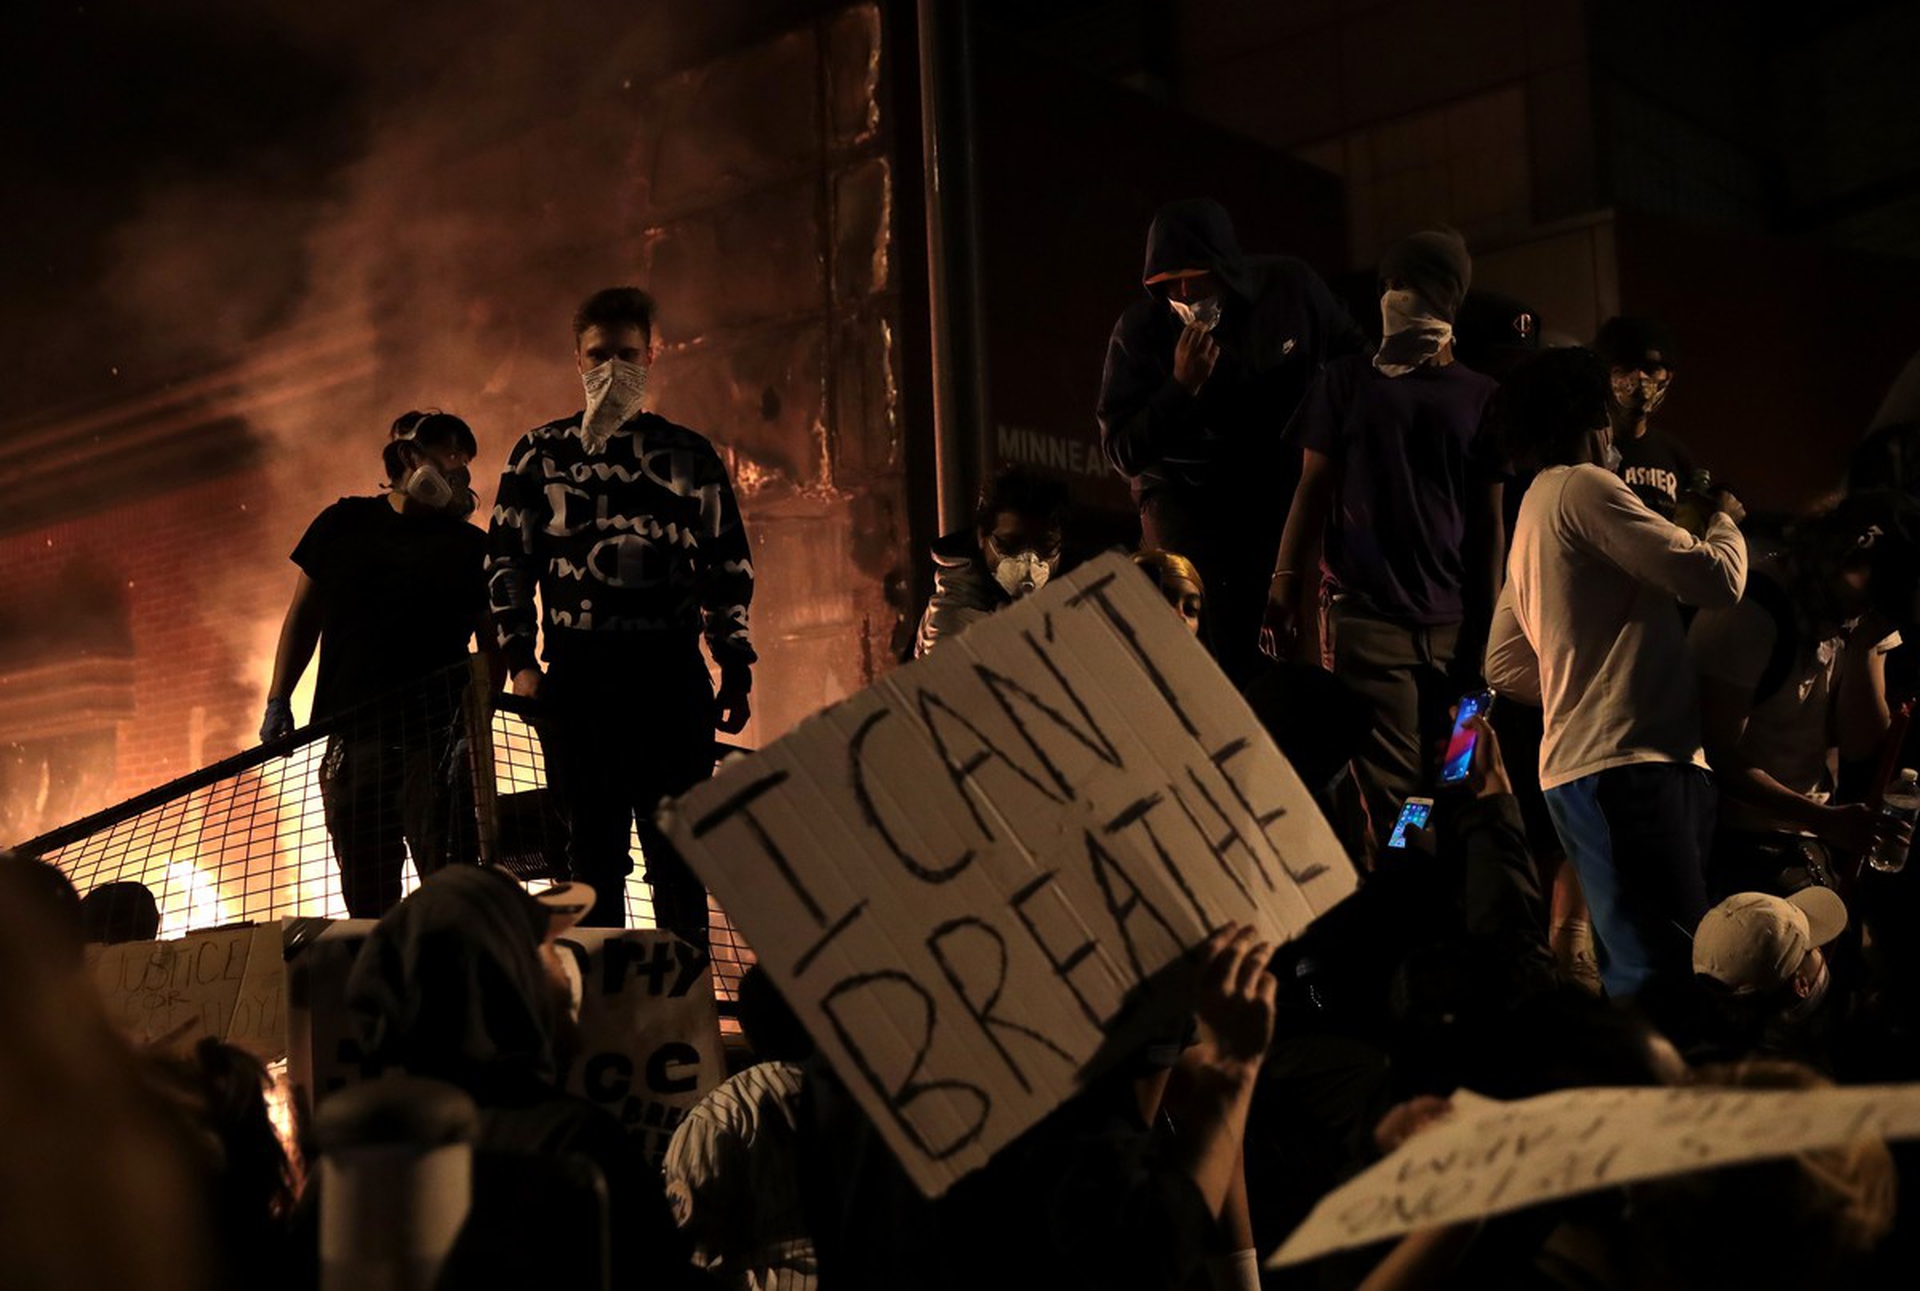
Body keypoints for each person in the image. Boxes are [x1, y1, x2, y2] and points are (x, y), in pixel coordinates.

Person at [487, 286, 754, 937]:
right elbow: (506, 564)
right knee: (591, 859)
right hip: (578, 681)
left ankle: (682, 1010)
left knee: (679, 858)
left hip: (668, 676)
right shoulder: (539, 454)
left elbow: (726, 565)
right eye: (599, 353)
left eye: (627, 353)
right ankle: (604, 1016)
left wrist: (736, 663)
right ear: (577, 359)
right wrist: (521, 663)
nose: (613, 368)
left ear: (653, 355)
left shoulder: (690, 455)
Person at [1486, 347, 1749, 998]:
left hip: (1584, 768)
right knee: (1673, 976)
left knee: (1640, 966)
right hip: (1632, 766)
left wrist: (1585, 678)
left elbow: (1503, 661)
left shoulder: (1533, 509)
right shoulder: (1584, 486)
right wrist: (1721, 519)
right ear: (1593, 416)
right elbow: (1718, 578)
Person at [343, 866, 698, 1288]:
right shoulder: (574, 1147)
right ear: (500, 973)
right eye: (542, 947)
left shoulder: (348, 1171)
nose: (564, 969)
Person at [1268, 230, 1505, 840]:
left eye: (1409, 285)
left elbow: (1488, 522)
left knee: (1460, 776)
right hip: (1372, 631)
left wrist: (1490, 627)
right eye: (1387, 286)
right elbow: (1312, 488)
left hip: (1460, 637)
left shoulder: (1481, 398)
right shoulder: (1348, 382)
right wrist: (1285, 581)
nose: (1393, 297)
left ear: (1445, 297)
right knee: (1400, 792)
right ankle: (1408, 879)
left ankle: (1447, 888)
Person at [1097, 197, 1364, 680]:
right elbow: (1122, 450)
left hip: (1272, 485)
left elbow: (1353, 356)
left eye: (1193, 277)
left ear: (1223, 268)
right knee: (1202, 639)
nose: (1182, 292)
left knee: (1283, 641)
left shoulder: (1288, 290)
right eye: (1168, 282)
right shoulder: (1141, 330)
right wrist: (1181, 388)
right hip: (1184, 497)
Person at [262, 410, 492, 919]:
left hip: (434, 744)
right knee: (367, 897)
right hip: (355, 739)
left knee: (452, 888)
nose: (459, 471)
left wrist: (472, 733)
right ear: (410, 456)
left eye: (465, 460)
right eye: (451, 454)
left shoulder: (470, 547)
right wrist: (279, 697)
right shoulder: (343, 523)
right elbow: (304, 616)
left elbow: (490, 646)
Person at [1691, 492, 1918, 896]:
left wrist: (1865, 645)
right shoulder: (1753, 609)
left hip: (1807, 834)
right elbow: (1717, 755)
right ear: (1838, 555)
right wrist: (1825, 819)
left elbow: (1860, 745)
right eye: (1868, 595)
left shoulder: (1864, 613)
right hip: (1734, 836)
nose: (1864, 611)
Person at [914, 468, 1067, 657]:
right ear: (981, 538)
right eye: (1011, 544)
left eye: (1045, 546)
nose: (1030, 563)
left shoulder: (1064, 599)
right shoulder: (955, 624)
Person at [1595, 316, 1695, 520]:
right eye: (1627, 367)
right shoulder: (1589, 450)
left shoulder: (1676, 456)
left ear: (1668, 377)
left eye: (1650, 369)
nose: (1639, 377)